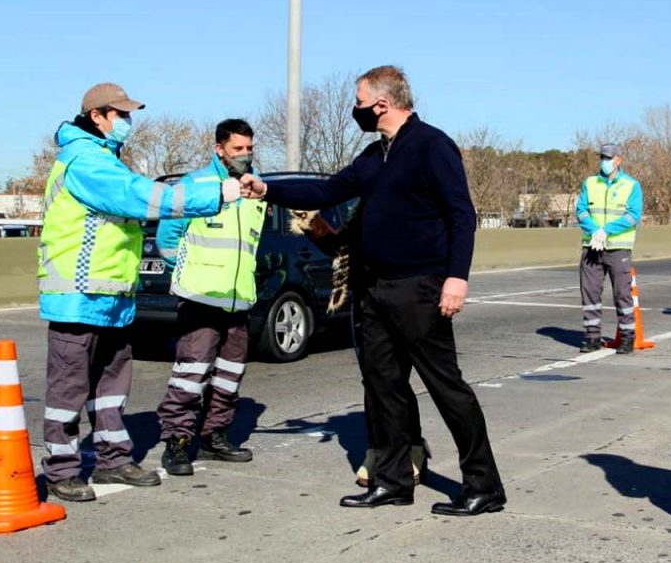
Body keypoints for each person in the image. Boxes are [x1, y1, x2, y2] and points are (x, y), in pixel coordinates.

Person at [242, 65, 504, 516]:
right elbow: (325, 190)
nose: (356, 109)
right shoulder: (372, 156)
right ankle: (392, 481)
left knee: (446, 387)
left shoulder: (431, 146)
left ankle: (484, 485)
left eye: (359, 102)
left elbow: (461, 214)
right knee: (383, 387)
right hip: (373, 289)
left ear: (382, 104)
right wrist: (267, 188)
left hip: (419, 287)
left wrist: (456, 278)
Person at [38, 83, 240, 502]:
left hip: (111, 298)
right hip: (77, 297)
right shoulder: (85, 161)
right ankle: (61, 470)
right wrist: (215, 193)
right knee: (68, 390)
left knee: (111, 387)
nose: (128, 121)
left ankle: (113, 459)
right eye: (121, 114)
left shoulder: (105, 158)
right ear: (97, 116)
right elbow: (141, 196)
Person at [289, 208, 431, 488]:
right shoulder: (366, 205)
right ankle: (378, 448)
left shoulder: (412, 201)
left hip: (408, 296)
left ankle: (412, 446)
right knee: (374, 379)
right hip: (366, 300)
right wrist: (312, 223)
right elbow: (341, 247)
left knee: (397, 380)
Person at [156, 119, 266, 475]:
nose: (245, 154)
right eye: (237, 149)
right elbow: (167, 239)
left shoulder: (255, 188)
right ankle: (177, 441)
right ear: (219, 149)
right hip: (201, 297)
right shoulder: (195, 185)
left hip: (238, 298)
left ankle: (213, 437)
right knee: (191, 372)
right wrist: (188, 272)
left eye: (249, 148)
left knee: (229, 375)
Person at [575, 143, 644, 354]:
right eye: (602, 157)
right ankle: (592, 336)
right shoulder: (590, 183)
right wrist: (595, 231)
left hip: (618, 248)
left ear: (618, 160)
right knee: (590, 292)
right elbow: (581, 210)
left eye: (608, 158)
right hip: (592, 246)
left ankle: (627, 336)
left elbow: (633, 215)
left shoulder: (631, 185)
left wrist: (606, 231)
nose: (604, 161)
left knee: (622, 293)